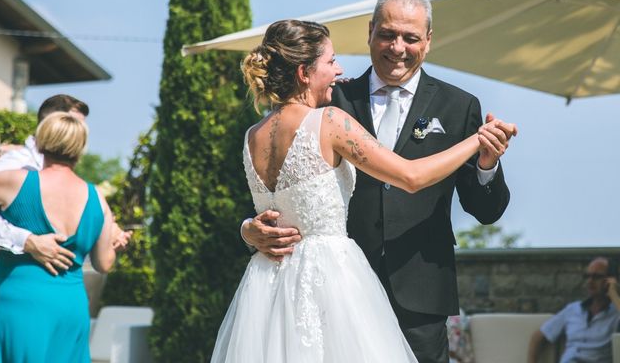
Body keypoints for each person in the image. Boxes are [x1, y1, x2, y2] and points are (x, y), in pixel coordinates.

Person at [211, 19, 516, 362]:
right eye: (330, 61)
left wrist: (247, 228)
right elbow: (411, 177)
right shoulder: (329, 122)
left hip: (270, 285)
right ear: (304, 73)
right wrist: (477, 140)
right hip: (332, 280)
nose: (340, 70)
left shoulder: (253, 134)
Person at [0, 95, 130, 336]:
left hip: (19, 293)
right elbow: (104, 262)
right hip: (18, 289)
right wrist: (26, 241)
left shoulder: (21, 182)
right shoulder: (18, 164)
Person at [527, 257, 620, 363]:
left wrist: (614, 294)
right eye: (587, 276)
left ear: (611, 280)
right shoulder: (573, 309)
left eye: (596, 276)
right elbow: (538, 337)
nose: (590, 281)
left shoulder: (616, 313)